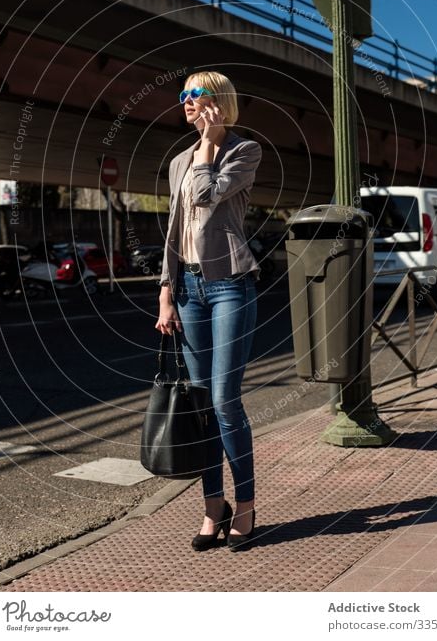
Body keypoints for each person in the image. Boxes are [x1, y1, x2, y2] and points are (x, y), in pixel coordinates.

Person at [155, 71, 262, 552]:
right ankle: (211, 506)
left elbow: (205, 195)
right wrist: (165, 290)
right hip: (189, 290)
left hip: (230, 286)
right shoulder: (179, 160)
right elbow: (176, 226)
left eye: (195, 95)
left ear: (219, 100)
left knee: (224, 401)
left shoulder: (244, 152)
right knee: (201, 409)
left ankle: (245, 506)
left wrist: (209, 145)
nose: (186, 102)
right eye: (182, 96)